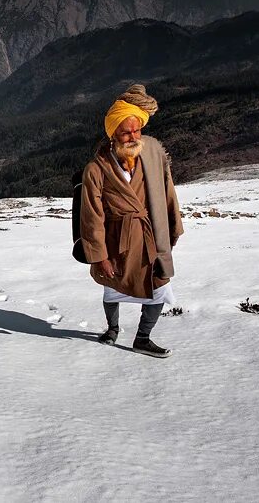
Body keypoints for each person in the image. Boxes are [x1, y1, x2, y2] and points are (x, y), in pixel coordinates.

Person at [79, 84, 184, 357]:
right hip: (117, 241)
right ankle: (112, 328)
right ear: (113, 133)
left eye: (137, 130)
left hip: (150, 238)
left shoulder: (151, 153)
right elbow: (92, 216)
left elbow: (166, 188)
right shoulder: (96, 169)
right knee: (113, 288)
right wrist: (100, 255)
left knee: (159, 287)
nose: (133, 136)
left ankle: (143, 337)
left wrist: (173, 223)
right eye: (126, 131)